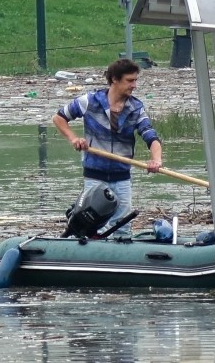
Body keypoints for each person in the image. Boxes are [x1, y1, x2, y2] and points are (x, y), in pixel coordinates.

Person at [53, 58, 163, 237]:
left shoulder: (136, 108)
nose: (134, 85)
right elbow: (59, 118)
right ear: (114, 79)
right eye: (130, 80)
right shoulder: (89, 101)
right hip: (94, 178)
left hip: (122, 178)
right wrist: (74, 139)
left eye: (135, 80)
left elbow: (151, 136)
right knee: (89, 225)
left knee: (122, 229)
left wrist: (156, 160)